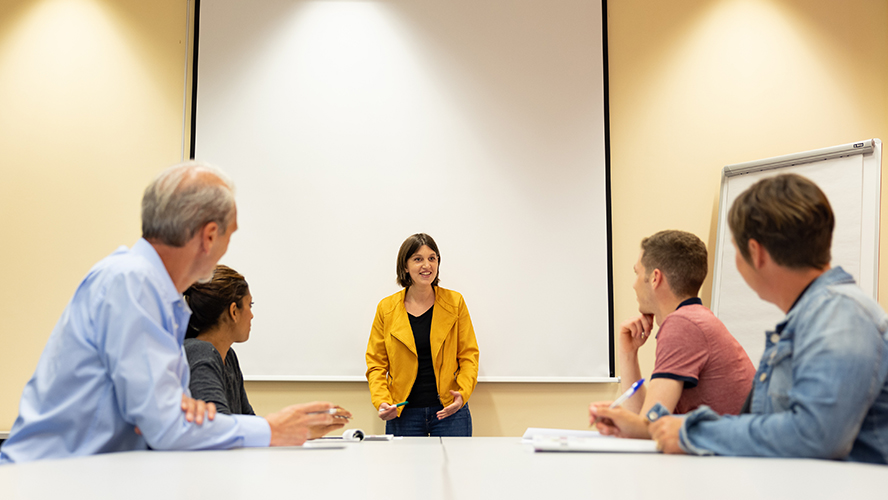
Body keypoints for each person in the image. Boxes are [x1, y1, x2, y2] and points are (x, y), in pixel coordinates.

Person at [0, 161, 347, 464]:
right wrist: (271, 429)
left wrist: (179, 414)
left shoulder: (154, 293)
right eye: (230, 235)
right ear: (209, 236)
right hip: (46, 479)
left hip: (80, 476)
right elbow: (167, 425)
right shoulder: (132, 284)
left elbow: (167, 417)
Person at [632, 173, 888, 464]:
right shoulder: (815, 317)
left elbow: (815, 435)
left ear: (755, 252)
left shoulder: (841, 316)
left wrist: (695, 431)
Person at [589, 230, 755, 439]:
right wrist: (628, 353)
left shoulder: (683, 324)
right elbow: (643, 423)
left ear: (655, 278)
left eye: (637, 273)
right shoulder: (694, 318)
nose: (634, 284)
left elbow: (647, 429)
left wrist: (614, 418)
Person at [365, 233, 479, 436]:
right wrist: (382, 401)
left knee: (456, 468)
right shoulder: (387, 308)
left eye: (432, 258)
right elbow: (376, 364)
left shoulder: (455, 302)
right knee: (403, 468)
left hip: (450, 411)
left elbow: (469, 356)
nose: (427, 265)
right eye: (418, 259)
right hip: (403, 413)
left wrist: (462, 394)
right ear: (405, 266)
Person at [182, 265, 256, 415]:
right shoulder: (200, 354)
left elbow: (248, 420)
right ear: (234, 311)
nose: (252, 315)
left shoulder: (229, 356)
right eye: (250, 305)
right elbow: (218, 425)